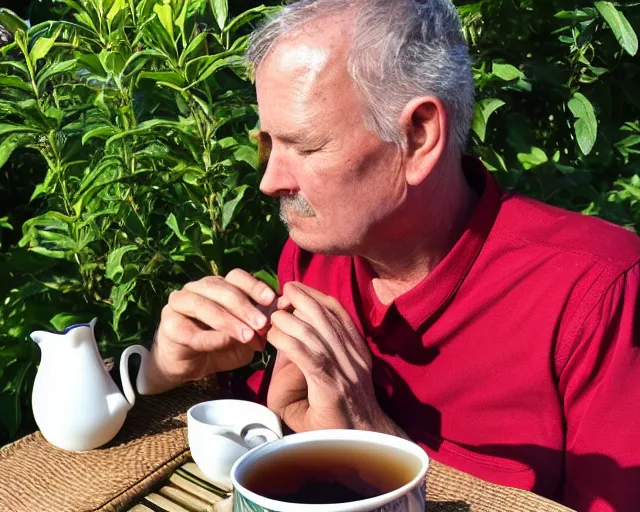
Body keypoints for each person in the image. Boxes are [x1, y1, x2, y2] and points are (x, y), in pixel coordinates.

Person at [142, 1, 640, 510]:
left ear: (418, 136)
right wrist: (165, 368)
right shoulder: (315, 256)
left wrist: (370, 436)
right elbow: (259, 443)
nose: (270, 181)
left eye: (306, 147)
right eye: (269, 143)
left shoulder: (597, 292)